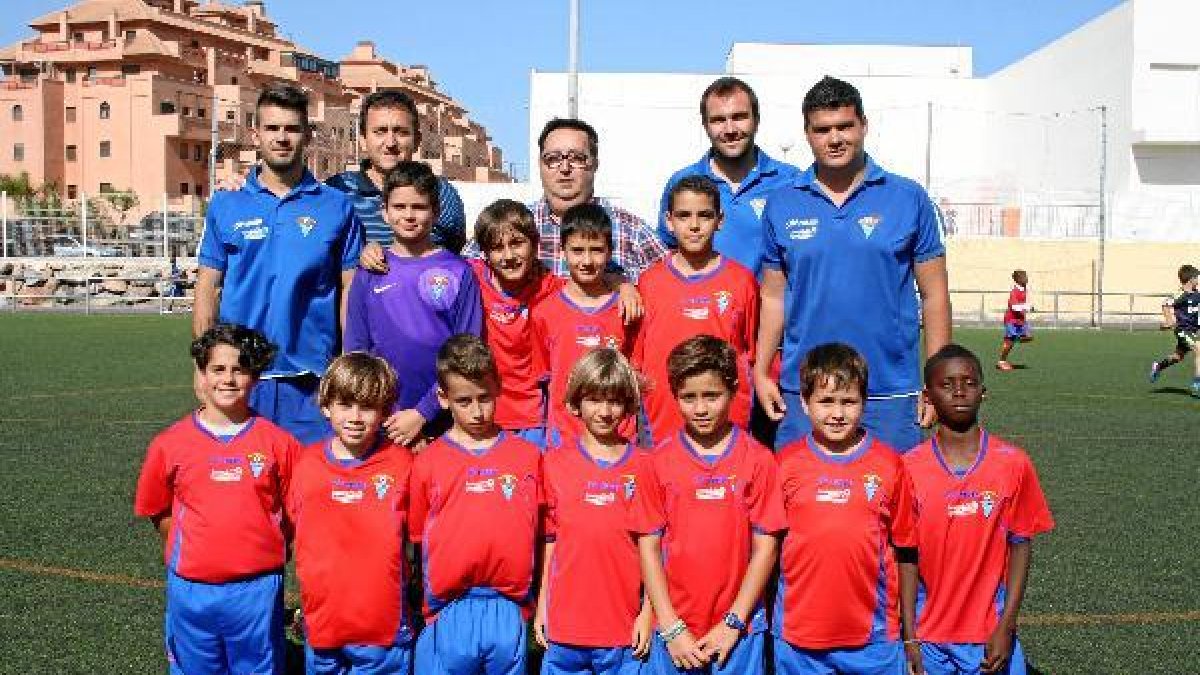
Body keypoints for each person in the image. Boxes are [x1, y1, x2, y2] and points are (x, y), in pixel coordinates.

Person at [755, 76, 951, 453]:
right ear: (808, 134)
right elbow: (774, 297)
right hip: (807, 392)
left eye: (845, 126)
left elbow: (935, 295)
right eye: (822, 129)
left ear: (864, 125)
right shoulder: (782, 202)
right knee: (801, 505)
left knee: (891, 505)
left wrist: (936, 379)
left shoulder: (908, 198)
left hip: (888, 391)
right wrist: (763, 371)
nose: (835, 138)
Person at [194, 84, 364, 445]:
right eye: (272, 128)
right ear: (256, 134)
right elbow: (208, 286)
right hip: (240, 379)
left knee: (309, 494)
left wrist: (349, 361)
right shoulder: (227, 204)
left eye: (291, 128)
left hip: (312, 379)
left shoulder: (336, 207)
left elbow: (351, 288)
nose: (282, 138)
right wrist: (201, 365)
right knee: (242, 494)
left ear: (307, 134)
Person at [134, 324, 297, 675]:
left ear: (255, 376)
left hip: (256, 589)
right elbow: (157, 510)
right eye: (218, 369)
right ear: (202, 375)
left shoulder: (279, 444)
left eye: (239, 369)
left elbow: (294, 513)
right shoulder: (169, 443)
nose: (228, 379)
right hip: (191, 589)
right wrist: (197, 548)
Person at [630, 336, 786, 675]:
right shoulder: (657, 462)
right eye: (689, 397)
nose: (700, 408)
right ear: (674, 396)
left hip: (738, 631)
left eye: (711, 396)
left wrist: (733, 622)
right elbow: (649, 547)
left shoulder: (758, 460)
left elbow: (766, 548)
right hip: (674, 631)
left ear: (732, 391)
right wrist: (670, 627)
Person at [904, 345, 1055, 675]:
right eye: (947, 384)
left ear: (983, 393)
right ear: (927, 397)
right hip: (929, 635)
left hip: (989, 633)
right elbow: (906, 556)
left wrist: (1007, 625)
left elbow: (1020, 545)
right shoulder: (909, 468)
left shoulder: (1012, 462)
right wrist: (909, 637)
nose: (959, 391)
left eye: (969, 383)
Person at [772, 343, 919, 675]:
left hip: (873, 640)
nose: (837, 413)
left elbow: (906, 547)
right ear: (805, 405)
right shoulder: (785, 465)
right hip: (798, 638)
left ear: (864, 404)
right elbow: (768, 550)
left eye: (848, 402)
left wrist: (909, 636)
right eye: (825, 401)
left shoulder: (889, 465)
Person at [409, 335, 543, 675]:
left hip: (508, 609)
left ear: (498, 387)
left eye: (485, 398)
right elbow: (417, 541)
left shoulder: (527, 457)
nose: (477, 411)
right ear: (443, 398)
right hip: (448, 608)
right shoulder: (428, 462)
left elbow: (541, 536)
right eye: (464, 401)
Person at [286, 352, 415, 675]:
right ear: (326, 405)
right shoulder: (305, 465)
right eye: (345, 404)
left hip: (382, 629)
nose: (356, 417)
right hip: (323, 624)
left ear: (385, 409)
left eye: (368, 406)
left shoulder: (404, 465)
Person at [344, 161, 483, 447]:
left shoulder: (458, 271)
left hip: (443, 421)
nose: (409, 215)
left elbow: (467, 355)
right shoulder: (369, 271)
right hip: (382, 422)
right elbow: (356, 353)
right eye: (399, 207)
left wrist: (423, 413)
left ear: (435, 212)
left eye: (419, 207)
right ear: (384, 211)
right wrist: (386, 417)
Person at [535, 349, 654, 674]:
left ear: (628, 405)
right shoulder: (554, 464)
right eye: (594, 400)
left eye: (615, 401)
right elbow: (551, 540)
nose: (604, 411)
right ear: (576, 403)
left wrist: (648, 612)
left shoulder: (644, 467)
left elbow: (654, 550)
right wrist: (543, 602)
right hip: (565, 630)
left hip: (623, 633)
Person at [463, 118, 668, 286]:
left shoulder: (632, 232)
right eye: (552, 158)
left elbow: (676, 285)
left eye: (577, 158)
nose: (564, 168)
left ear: (595, 164)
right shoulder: (511, 226)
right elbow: (461, 278)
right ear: (540, 165)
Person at [636, 175, 758, 446]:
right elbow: (638, 358)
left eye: (704, 215)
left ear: (720, 220)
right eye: (683, 216)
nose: (694, 225)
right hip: (662, 420)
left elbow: (749, 352)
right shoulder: (649, 282)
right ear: (669, 220)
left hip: (726, 423)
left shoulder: (741, 281)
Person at [656, 77, 800, 276]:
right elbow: (666, 252)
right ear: (705, 125)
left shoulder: (790, 181)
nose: (730, 130)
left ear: (757, 119)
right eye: (718, 120)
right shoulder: (681, 183)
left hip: (770, 306)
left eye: (739, 117)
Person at [531, 204, 640, 446]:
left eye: (597, 250)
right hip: (566, 437)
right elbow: (544, 378)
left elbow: (635, 372)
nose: (587, 260)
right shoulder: (544, 312)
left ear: (610, 252)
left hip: (618, 436)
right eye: (578, 250)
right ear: (563, 251)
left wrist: (625, 285)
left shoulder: (627, 308)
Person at [470, 199, 564, 448]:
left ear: (534, 245)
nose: (509, 256)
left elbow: (595, 289)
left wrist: (623, 284)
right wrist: (372, 251)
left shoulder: (554, 288)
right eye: (497, 247)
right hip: (482, 415)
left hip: (533, 419)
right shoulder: (472, 277)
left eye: (517, 244)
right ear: (485, 254)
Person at [332, 89, 467, 256]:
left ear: (417, 140)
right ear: (363, 140)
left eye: (401, 132)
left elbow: (453, 255)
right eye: (380, 131)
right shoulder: (336, 192)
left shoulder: (442, 193)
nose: (390, 143)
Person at [1149, 263, 1200, 397]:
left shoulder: (1197, 294)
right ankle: (1197, 382)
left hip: (1193, 331)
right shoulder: (1180, 294)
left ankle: (1158, 367)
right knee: (1199, 348)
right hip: (1183, 330)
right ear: (1191, 279)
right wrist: (1169, 321)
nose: (1198, 280)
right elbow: (1166, 304)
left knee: (1178, 357)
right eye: (1197, 278)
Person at [996, 270, 1033, 371]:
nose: (1026, 278)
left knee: (1028, 337)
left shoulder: (1024, 290)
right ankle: (1001, 362)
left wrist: (1028, 307)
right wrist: (1027, 307)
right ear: (1018, 279)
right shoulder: (1014, 292)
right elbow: (1014, 307)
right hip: (1011, 320)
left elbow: (1022, 305)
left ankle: (1016, 338)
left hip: (1020, 320)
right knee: (1009, 341)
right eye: (1024, 277)